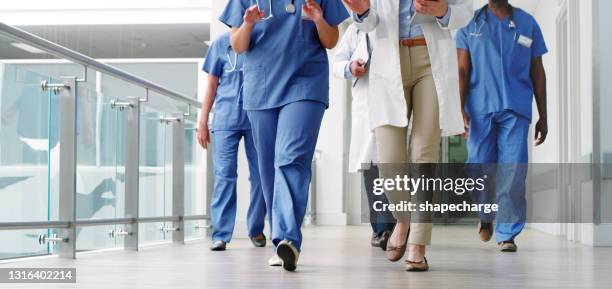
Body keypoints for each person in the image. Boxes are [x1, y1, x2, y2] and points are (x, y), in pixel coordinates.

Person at [219, 0, 349, 271]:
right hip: (261, 85)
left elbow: (331, 39)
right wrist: (248, 24)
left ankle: (288, 239)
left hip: (305, 83)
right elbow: (238, 45)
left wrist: (318, 19)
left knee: (291, 158)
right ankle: (281, 238)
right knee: (267, 169)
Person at [343, 0, 472, 271]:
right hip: (388, 62)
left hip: (430, 60)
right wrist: (362, 11)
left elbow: (465, 11)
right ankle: (404, 219)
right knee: (389, 160)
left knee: (424, 155)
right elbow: (368, 24)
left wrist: (443, 11)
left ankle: (418, 245)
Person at [456, 0, 548, 252]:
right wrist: (459, 107)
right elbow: (462, 69)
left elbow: (537, 71)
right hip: (479, 107)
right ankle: (485, 214)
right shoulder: (469, 24)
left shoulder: (527, 23)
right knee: (478, 166)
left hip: (516, 108)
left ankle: (507, 233)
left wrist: (544, 115)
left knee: (513, 172)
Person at [197, 32, 267, 251]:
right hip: (225, 119)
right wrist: (203, 121)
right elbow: (211, 86)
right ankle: (220, 234)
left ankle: (255, 228)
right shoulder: (219, 45)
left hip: (256, 115)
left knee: (260, 175)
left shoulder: (261, 40)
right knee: (224, 176)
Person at [331, 23, 395, 250]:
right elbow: (336, 64)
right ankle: (382, 228)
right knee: (372, 169)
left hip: (393, 102)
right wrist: (350, 67)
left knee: (392, 166)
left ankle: (392, 226)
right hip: (366, 104)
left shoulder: (395, 23)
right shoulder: (355, 30)